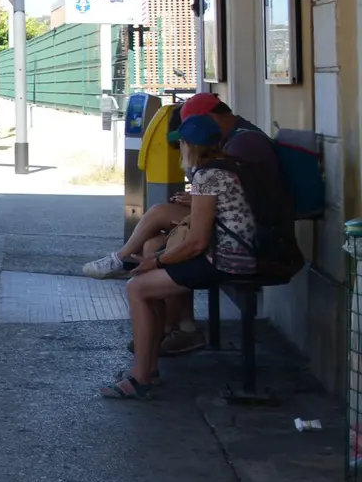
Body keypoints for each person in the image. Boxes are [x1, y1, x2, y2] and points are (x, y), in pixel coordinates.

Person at [80, 92, 279, 353]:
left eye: (185, 139)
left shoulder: (242, 145)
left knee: (150, 269)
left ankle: (160, 345)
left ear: (208, 122)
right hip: (231, 237)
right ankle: (172, 329)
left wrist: (161, 259)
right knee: (153, 243)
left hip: (234, 247)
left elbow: (206, 233)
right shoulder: (231, 145)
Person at [101, 115, 261, 399]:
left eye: (182, 144)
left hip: (225, 260)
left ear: (189, 146)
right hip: (237, 254)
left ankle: (141, 379)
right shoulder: (227, 167)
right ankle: (148, 370)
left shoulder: (206, 175)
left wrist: (158, 260)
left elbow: (197, 241)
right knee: (149, 287)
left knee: (137, 287)